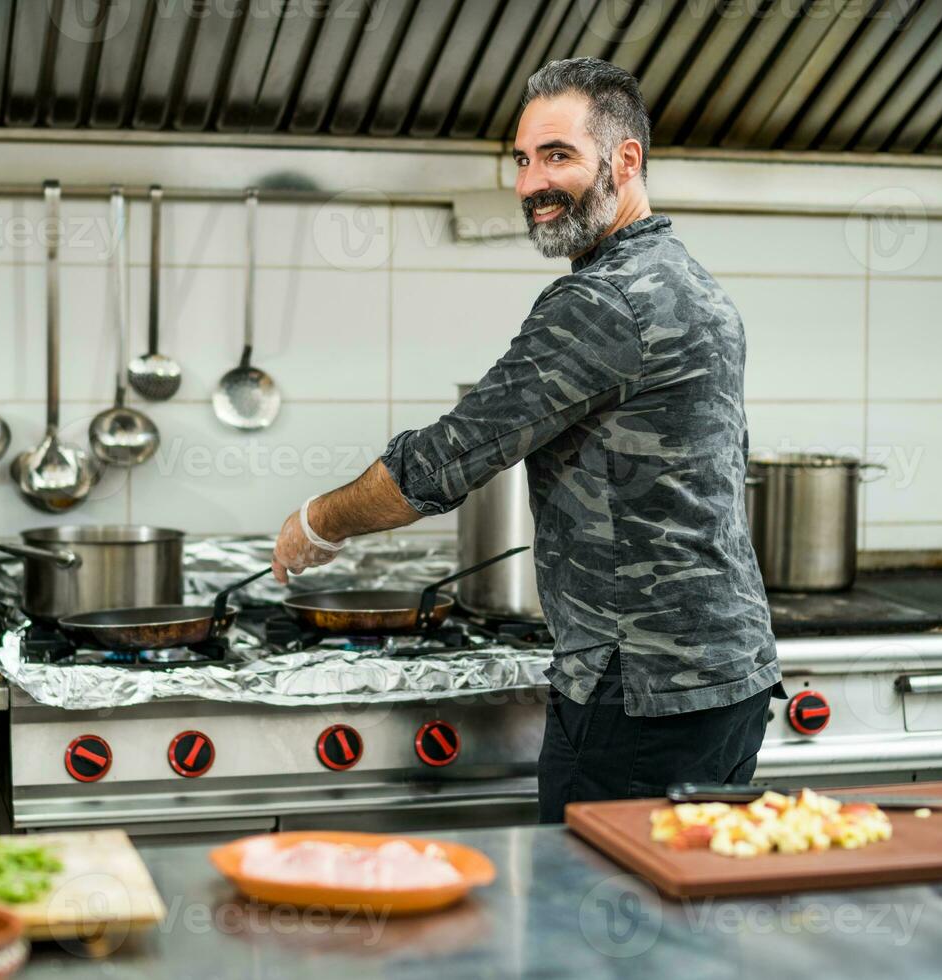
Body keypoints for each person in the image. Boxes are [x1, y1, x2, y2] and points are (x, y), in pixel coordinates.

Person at [270, 57, 782, 823]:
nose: (530, 183)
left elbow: (449, 458)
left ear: (626, 160)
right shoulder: (687, 279)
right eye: (521, 158)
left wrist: (319, 521)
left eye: (558, 156)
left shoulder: (603, 301)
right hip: (717, 677)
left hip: (639, 689)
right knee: (675, 921)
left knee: (594, 925)